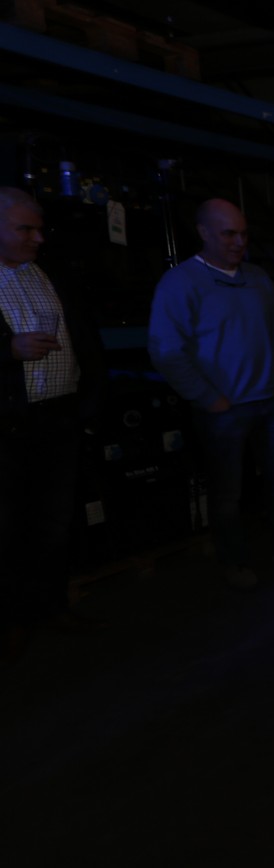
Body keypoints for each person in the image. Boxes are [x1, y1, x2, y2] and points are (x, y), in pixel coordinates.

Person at [148, 198, 274, 590]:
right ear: (204, 233)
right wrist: (208, 397)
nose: (239, 242)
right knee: (228, 492)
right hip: (223, 411)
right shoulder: (181, 283)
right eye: (229, 234)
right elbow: (166, 350)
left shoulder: (257, 279)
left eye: (243, 234)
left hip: (270, 402)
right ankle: (235, 561)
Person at [0, 186, 106, 662]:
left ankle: (51, 607)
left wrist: (88, 404)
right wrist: (8, 350)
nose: (38, 238)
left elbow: (87, 339)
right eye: (25, 229)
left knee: (55, 524)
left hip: (59, 419)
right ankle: (12, 622)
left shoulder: (53, 273)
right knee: (9, 528)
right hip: (8, 426)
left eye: (39, 228)